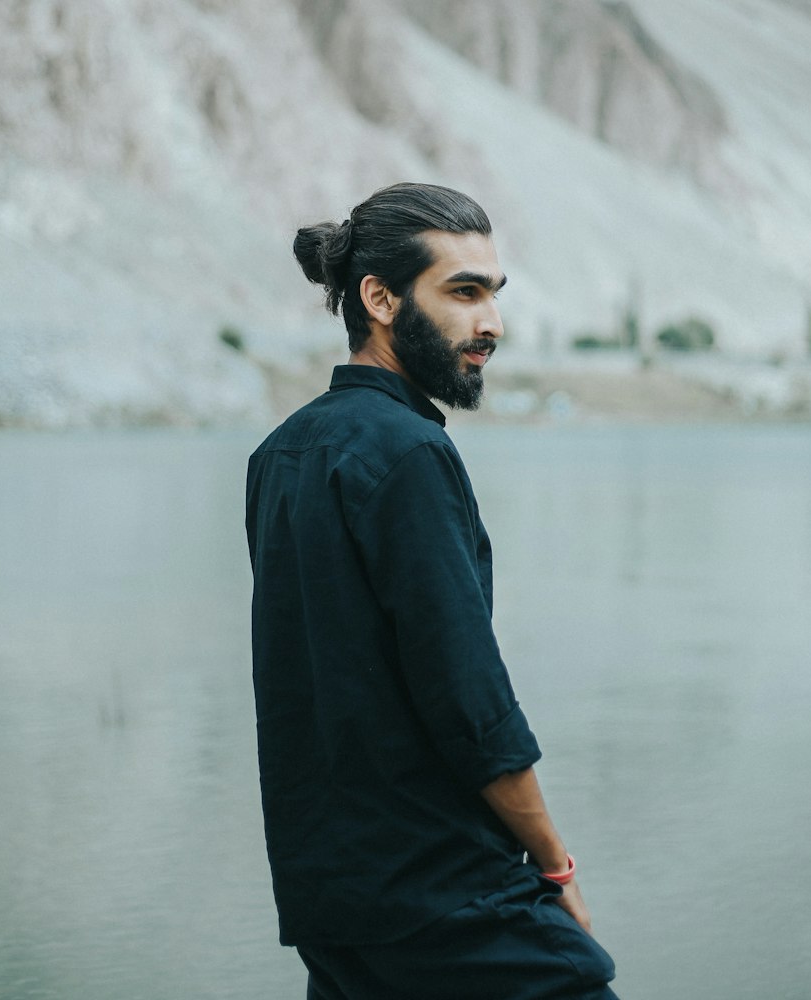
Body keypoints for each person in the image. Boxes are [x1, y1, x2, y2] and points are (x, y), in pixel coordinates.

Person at [246, 182, 618, 999]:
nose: (491, 323)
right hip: (442, 896)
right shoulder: (410, 453)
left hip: (334, 904)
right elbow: (470, 702)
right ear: (378, 298)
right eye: (463, 291)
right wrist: (556, 868)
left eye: (493, 293)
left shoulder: (281, 454)